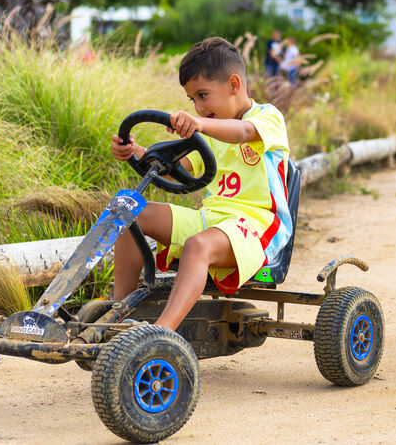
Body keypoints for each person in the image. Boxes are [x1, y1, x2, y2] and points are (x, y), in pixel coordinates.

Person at [109, 36, 292, 331]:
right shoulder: (208, 132)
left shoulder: (268, 118)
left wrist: (201, 124)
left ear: (234, 85)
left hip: (257, 226)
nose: (198, 106)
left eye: (203, 96)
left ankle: (161, 334)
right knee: (129, 211)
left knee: (197, 246)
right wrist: (137, 152)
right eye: (193, 100)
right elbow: (174, 170)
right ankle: (115, 315)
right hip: (211, 219)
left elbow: (243, 132)